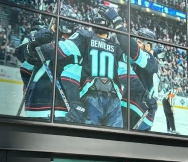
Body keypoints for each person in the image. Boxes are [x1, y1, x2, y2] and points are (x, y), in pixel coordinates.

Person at [24, 8, 156, 127]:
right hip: (114, 100)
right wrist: (145, 95)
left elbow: (61, 49)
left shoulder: (84, 37)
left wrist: (38, 50)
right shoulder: (117, 47)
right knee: (113, 140)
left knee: (89, 136)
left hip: (91, 96)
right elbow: (127, 76)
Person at [98, 5, 159, 130]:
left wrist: (118, 23)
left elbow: (131, 48)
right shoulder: (145, 62)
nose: (137, 43)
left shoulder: (150, 61)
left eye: (140, 42)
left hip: (138, 112)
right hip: (135, 110)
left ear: (148, 47)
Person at [15, 4, 79, 119]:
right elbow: (20, 54)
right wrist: (35, 41)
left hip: (50, 108)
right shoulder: (42, 37)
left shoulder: (68, 45)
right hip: (45, 106)